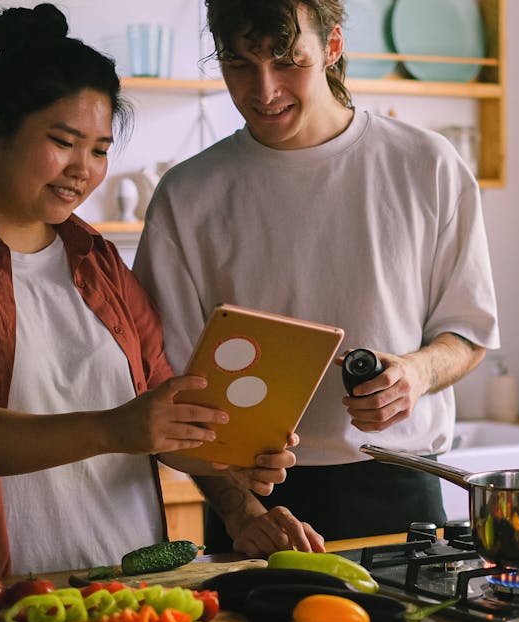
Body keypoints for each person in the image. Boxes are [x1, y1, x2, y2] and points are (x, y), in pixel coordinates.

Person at [0, 4, 296, 588]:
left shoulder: (100, 260)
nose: (82, 169)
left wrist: (241, 495)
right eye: (64, 142)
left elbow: (158, 415)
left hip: (128, 592)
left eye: (101, 149)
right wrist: (114, 429)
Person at [132, 0, 499, 555]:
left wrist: (417, 373)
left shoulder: (428, 166)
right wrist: (239, 511)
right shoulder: (187, 197)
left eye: (286, 61)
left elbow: (469, 333)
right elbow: (166, 391)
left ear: (331, 48)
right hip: (255, 502)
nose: (264, 90)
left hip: (401, 485)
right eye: (239, 64)